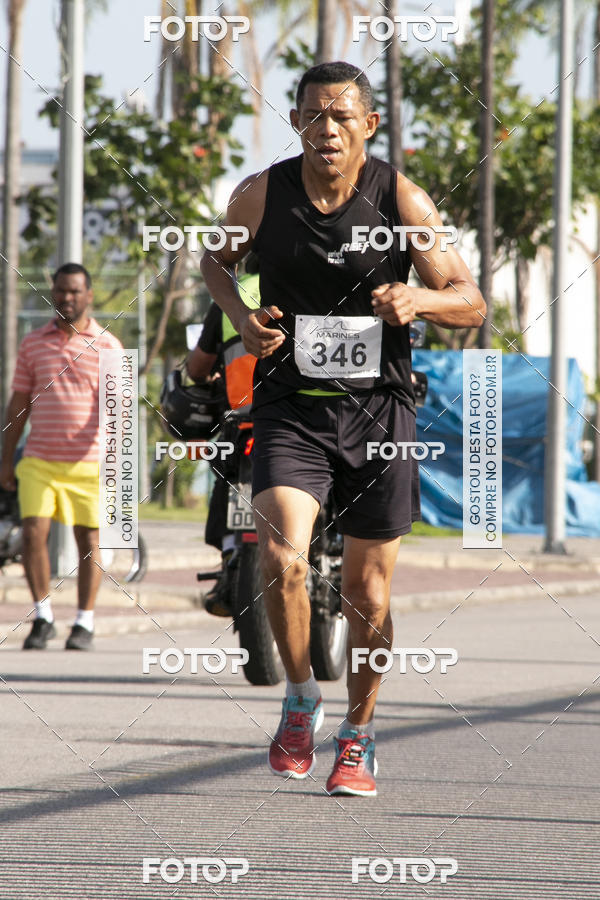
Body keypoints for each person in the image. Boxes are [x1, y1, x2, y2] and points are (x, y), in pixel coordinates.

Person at [200, 61, 486, 797]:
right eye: (313, 116)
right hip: (291, 408)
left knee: (371, 596)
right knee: (281, 560)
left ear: (369, 125)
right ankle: (301, 700)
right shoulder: (262, 193)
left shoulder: (401, 198)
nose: (327, 129)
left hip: (379, 413)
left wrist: (419, 299)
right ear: (296, 122)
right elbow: (214, 260)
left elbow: (472, 301)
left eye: (341, 116)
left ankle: (357, 736)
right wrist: (240, 318)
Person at [0, 263, 124, 651]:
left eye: (75, 291)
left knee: (88, 539)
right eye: (60, 291)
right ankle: (43, 616)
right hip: (39, 460)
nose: (66, 298)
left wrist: (119, 469)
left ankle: (84, 622)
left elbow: (121, 413)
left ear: (89, 295)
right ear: (52, 292)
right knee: (33, 533)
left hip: (89, 463)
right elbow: (18, 404)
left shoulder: (109, 345)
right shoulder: (33, 343)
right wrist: (6, 459)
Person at [186, 255, 260, 615]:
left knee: (228, 481)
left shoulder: (233, 298)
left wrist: (210, 377)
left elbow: (198, 367)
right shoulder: (311, 287)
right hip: (300, 420)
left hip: (242, 422)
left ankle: (229, 560)